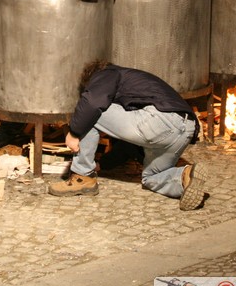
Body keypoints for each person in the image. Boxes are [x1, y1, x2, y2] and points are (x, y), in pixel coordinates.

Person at [47, 60, 207, 211]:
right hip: (185, 128)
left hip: (160, 120)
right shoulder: (133, 85)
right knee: (151, 178)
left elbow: (92, 104)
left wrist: (74, 133)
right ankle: (185, 176)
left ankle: (82, 177)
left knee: (89, 114)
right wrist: (103, 164)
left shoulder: (107, 73)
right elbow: (129, 144)